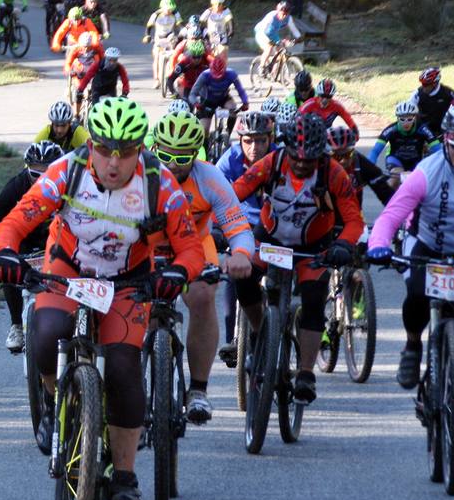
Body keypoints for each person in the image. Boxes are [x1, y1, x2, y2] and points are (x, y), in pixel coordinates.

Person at [0, 97, 206, 500]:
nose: (113, 161)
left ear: (139, 149)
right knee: (47, 334)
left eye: (125, 151)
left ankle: (124, 475)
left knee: (125, 369)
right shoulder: (66, 171)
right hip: (66, 270)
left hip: (127, 283)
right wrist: (4, 254)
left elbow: (190, 250)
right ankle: (57, 402)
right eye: (104, 148)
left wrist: (177, 273)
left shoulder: (159, 183)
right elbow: (16, 220)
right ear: (92, 145)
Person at [231, 113, 366, 405]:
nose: (303, 164)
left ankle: (306, 373)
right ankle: (259, 334)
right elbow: (235, 193)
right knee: (242, 279)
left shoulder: (332, 173)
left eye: (310, 159)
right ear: (287, 150)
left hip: (313, 247)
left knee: (314, 299)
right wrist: (222, 225)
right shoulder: (272, 163)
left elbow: (354, 220)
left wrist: (343, 244)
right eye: (297, 158)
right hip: (270, 238)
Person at [148, 113, 256, 423]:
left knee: (202, 295)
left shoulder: (208, 178)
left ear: (196, 154)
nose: (172, 163)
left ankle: (197, 389)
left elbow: (237, 226)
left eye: (182, 157)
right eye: (165, 155)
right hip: (148, 247)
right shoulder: (139, 173)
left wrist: (241, 255)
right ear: (154, 148)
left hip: (195, 246)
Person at [367, 104, 454, 389]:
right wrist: (379, 245)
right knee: (418, 295)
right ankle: (412, 345)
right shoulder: (426, 173)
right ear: (446, 142)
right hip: (426, 244)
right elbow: (390, 217)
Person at [0, 140, 63, 353]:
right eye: (35, 175)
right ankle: (17, 325)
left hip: (57, 244)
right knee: (7, 265)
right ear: (26, 169)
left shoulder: (68, 187)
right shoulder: (16, 186)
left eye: (48, 175)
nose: (41, 181)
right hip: (26, 244)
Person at [216, 110, 277, 361]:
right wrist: (216, 230)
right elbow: (217, 197)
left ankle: (282, 323)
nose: (254, 147)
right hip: (239, 226)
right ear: (239, 140)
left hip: (274, 227)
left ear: (270, 139)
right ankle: (233, 338)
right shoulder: (229, 160)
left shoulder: (280, 158)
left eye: (261, 140)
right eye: (248, 141)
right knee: (234, 274)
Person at [328, 126, 395, 207]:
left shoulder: (360, 163)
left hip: (353, 211)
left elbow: (386, 194)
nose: (342, 161)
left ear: (353, 150)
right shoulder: (320, 165)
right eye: (336, 157)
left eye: (347, 155)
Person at [369, 101, 437, 176]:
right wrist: (369, 167)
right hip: (395, 159)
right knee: (394, 179)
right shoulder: (391, 130)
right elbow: (375, 151)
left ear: (415, 118)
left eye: (409, 119)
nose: (406, 123)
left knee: (418, 181)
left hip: (416, 161)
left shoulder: (423, 129)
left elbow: (438, 150)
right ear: (397, 118)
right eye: (402, 119)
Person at [189, 54, 249, 138]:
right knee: (204, 129)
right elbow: (192, 94)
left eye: (220, 76)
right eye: (215, 76)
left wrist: (245, 102)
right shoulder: (204, 75)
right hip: (207, 101)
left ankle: (228, 132)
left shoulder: (231, 74)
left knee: (233, 109)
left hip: (223, 98)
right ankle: (205, 147)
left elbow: (240, 90)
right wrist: (196, 103)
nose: (217, 78)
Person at [143, 0, 184, 86]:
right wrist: (147, 36)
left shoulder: (175, 13)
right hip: (159, 37)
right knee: (156, 56)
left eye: (171, 9)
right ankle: (157, 79)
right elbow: (149, 27)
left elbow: (180, 25)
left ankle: (173, 76)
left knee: (174, 54)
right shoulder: (156, 14)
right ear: (162, 8)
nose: (169, 11)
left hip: (170, 35)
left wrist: (184, 32)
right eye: (167, 9)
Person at [411, 67, 454, 139]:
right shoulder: (417, 94)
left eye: (425, 84)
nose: (423, 87)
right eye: (422, 84)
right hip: (424, 127)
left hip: (444, 127)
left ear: (434, 84)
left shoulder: (449, 93)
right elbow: (409, 111)